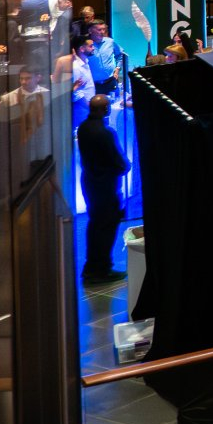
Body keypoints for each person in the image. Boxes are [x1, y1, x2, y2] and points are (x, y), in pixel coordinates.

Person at [78, 93, 128, 285]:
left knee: (96, 225)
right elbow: (118, 162)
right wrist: (125, 167)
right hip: (106, 187)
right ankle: (101, 269)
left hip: (90, 184)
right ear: (104, 109)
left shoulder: (83, 128)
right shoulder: (105, 133)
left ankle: (92, 267)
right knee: (106, 228)